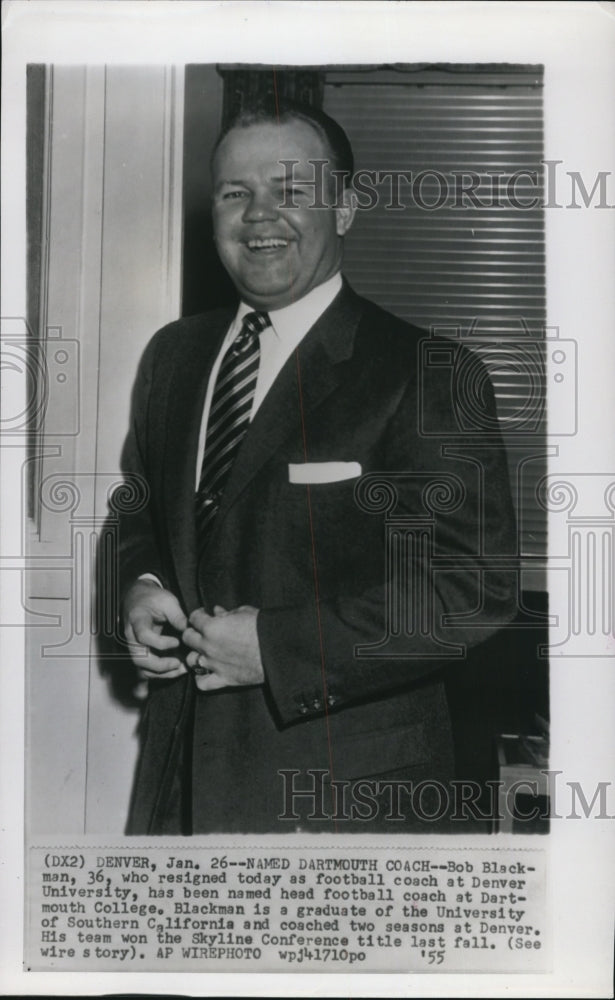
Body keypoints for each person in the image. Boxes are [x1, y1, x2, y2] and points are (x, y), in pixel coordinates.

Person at [115, 102, 517, 834]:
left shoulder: (428, 373)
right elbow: (138, 503)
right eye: (235, 193)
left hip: (343, 803)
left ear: (347, 208)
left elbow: (472, 588)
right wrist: (140, 583)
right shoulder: (173, 356)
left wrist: (275, 647)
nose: (259, 215)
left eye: (291, 190)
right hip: (178, 790)